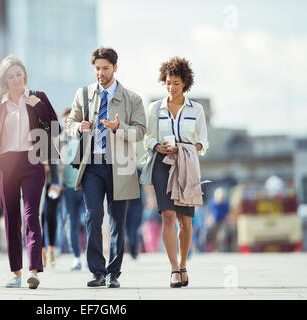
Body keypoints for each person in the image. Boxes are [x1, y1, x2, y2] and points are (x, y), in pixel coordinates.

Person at [0, 55, 59, 289]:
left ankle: (34, 270)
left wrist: (39, 106)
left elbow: (55, 127)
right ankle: (16, 273)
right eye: (10, 76)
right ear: (4, 81)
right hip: (6, 163)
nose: (16, 79)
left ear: (25, 74)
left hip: (32, 162)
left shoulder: (38, 97)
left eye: (19, 74)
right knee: (11, 218)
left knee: (30, 216)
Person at [66, 47, 146, 288]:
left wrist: (117, 129)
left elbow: (141, 131)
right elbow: (69, 122)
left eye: (105, 68)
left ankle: (114, 273)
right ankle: (97, 271)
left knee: (116, 220)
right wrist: (79, 127)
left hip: (120, 166)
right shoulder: (83, 94)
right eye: (97, 69)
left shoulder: (132, 98)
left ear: (115, 68)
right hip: (92, 165)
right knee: (93, 216)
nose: (100, 73)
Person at [143, 57, 209, 288]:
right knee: (168, 215)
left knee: (186, 220)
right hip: (162, 162)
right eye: (168, 83)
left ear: (185, 84)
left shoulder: (196, 109)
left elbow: (203, 141)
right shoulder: (155, 108)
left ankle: (183, 265)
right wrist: (156, 146)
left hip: (187, 164)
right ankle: (173, 269)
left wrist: (190, 148)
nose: (171, 87)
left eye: (176, 83)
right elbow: (147, 137)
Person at [61, 108, 87, 271]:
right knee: (71, 222)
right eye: (65, 122)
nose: (67, 125)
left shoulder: (82, 139)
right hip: (67, 190)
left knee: (88, 220)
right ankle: (76, 257)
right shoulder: (59, 142)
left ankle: (91, 255)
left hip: (85, 188)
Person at [41, 163, 61, 267]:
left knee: (51, 216)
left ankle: (51, 252)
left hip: (53, 182)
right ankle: (41, 253)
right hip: (36, 179)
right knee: (39, 216)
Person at [206, 187, 230, 252]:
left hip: (222, 222)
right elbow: (208, 213)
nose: (221, 198)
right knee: (212, 235)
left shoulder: (225, 204)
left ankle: (221, 249)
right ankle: (214, 248)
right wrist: (208, 220)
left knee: (222, 235)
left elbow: (228, 213)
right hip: (214, 221)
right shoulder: (211, 203)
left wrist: (228, 220)